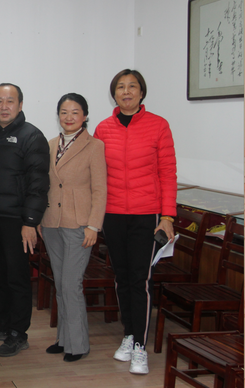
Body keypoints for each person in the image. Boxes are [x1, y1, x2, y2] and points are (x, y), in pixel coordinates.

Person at [94, 69, 177, 375]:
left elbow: (168, 173)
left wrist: (167, 217)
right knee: (122, 277)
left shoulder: (158, 125)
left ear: (141, 92)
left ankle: (140, 347)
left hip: (147, 215)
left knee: (140, 280)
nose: (126, 92)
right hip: (113, 214)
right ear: (114, 94)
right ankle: (129, 334)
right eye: (120, 87)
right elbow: (96, 175)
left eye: (132, 87)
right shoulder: (103, 128)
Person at [0, 83, 49, 357]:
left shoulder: (32, 136)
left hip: (16, 221)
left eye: (10, 101)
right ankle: (0, 324)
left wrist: (30, 221)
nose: (4, 106)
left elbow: (38, 184)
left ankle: (18, 332)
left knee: (17, 278)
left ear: (20, 105)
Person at [38, 93, 107, 362]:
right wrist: (40, 220)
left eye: (75, 112)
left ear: (85, 116)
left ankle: (78, 345)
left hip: (79, 224)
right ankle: (64, 339)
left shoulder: (95, 146)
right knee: (60, 283)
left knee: (71, 284)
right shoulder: (50, 144)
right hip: (51, 222)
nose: (69, 117)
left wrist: (93, 226)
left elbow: (100, 189)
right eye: (64, 112)